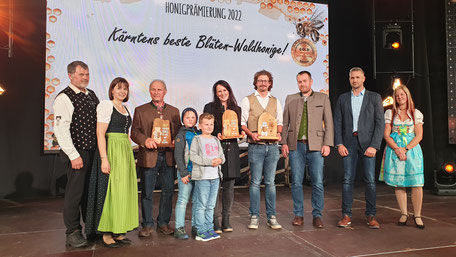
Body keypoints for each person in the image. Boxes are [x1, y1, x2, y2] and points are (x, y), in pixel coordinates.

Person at [85, 77, 139, 247]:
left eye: (125, 89)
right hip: (112, 150)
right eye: (119, 88)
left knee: (122, 191)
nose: (122, 91)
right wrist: (104, 159)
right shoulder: (106, 105)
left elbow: (126, 134)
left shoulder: (125, 108)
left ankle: (117, 229)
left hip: (124, 151)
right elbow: (100, 133)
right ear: (112, 90)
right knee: (110, 191)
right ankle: (106, 232)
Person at [53, 61, 99, 248]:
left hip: (92, 151)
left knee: (89, 192)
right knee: (75, 193)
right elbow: (61, 129)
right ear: (70, 75)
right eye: (81, 74)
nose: (85, 78)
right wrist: (73, 155)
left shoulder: (91, 95)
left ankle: (90, 228)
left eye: (87, 74)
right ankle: (72, 232)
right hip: (77, 152)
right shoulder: (64, 97)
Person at [281, 71, 334, 228]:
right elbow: (285, 123)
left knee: (317, 182)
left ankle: (317, 215)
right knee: (296, 182)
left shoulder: (322, 98)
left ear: (311, 81)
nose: (302, 84)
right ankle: (298, 214)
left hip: (316, 146)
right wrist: (284, 142)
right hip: (295, 145)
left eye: (304, 81)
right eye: (299, 81)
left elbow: (329, 122)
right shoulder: (291, 98)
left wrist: (327, 143)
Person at [333, 67, 385, 229]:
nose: (354, 80)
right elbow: (337, 123)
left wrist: (375, 146)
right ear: (349, 79)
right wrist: (339, 143)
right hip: (348, 144)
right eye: (352, 78)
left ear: (363, 78)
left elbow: (380, 124)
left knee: (369, 180)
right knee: (347, 180)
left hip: (368, 144)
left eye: (357, 77)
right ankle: (346, 215)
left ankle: (371, 216)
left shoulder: (374, 98)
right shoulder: (342, 98)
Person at [131, 79, 181, 237]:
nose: (156, 92)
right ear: (149, 91)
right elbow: (134, 132)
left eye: (159, 89)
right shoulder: (141, 110)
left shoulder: (174, 111)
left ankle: (164, 223)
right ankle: (147, 224)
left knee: (168, 191)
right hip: (149, 156)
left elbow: (179, 132)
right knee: (147, 192)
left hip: (168, 156)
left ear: (165, 92)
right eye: (153, 89)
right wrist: (145, 140)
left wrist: (176, 139)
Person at [241, 70, 283, 230]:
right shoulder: (248, 100)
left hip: (272, 148)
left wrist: (278, 133)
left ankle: (272, 216)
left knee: (271, 182)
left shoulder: (275, 101)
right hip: (255, 147)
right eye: (260, 80)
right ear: (256, 82)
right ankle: (254, 216)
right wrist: (251, 134)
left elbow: (280, 123)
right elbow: (242, 123)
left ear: (270, 83)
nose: (263, 83)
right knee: (255, 182)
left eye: (266, 81)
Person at [203, 80, 244, 233]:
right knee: (214, 187)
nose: (222, 93)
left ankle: (226, 220)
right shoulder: (210, 107)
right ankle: (214, 221)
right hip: (215, 149)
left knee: (229, 188)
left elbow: (238, 128)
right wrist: (215, 134)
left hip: (231, 149)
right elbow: (206, 127)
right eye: (219, 91)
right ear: (215, 93)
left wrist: (240, 134)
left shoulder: (237, 109)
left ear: (229, 91)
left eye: (224, 90)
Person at [382, 85, 425, 229]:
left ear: (407, 95)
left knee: (416, 183)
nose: (400, 97)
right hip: (395, 150)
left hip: (412, 150)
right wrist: (397, 149)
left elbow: (419, 135)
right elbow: (386, 135)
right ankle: (404, 213)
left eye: (402, 95)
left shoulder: (415, 113)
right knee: (399, 182)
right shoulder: (390, 113)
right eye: (397, 95)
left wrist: (405, 149)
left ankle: (417, 215)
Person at [189, 113, 225, 241]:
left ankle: (209, 228)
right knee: (201, 205)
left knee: (211, 206)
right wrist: (209, 162)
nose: (209, 127)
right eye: (206, 124)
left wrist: (219, 161)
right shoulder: (197, 140)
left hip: (215, 178)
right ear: (200, 126)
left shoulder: (215, 139)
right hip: (202, 178)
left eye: (211, 124)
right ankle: (200, 230)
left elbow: (222, 156)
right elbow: (193, 156)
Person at [173, 107, 201, 240]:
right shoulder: (181, 134)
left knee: (196, 200)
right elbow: (178, 155)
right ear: (182, 120)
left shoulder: (198, 133)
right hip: (186, 173)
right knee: (183, 200)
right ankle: (179, 228)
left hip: (198, 173)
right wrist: (183, 173)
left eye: (193, 117)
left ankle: (196, 227)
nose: (190, 119)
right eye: (187, 117)